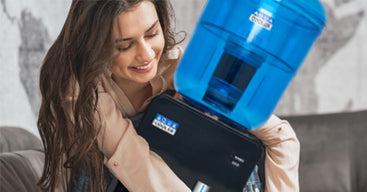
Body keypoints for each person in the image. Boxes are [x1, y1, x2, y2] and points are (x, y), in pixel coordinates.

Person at [37, 0, 300, 191]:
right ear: (95, 47)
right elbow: (138, 166)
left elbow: (282, 138)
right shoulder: (82, 92)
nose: (146, 54)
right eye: (125, 45)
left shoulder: (179, 67)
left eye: (152, 33)